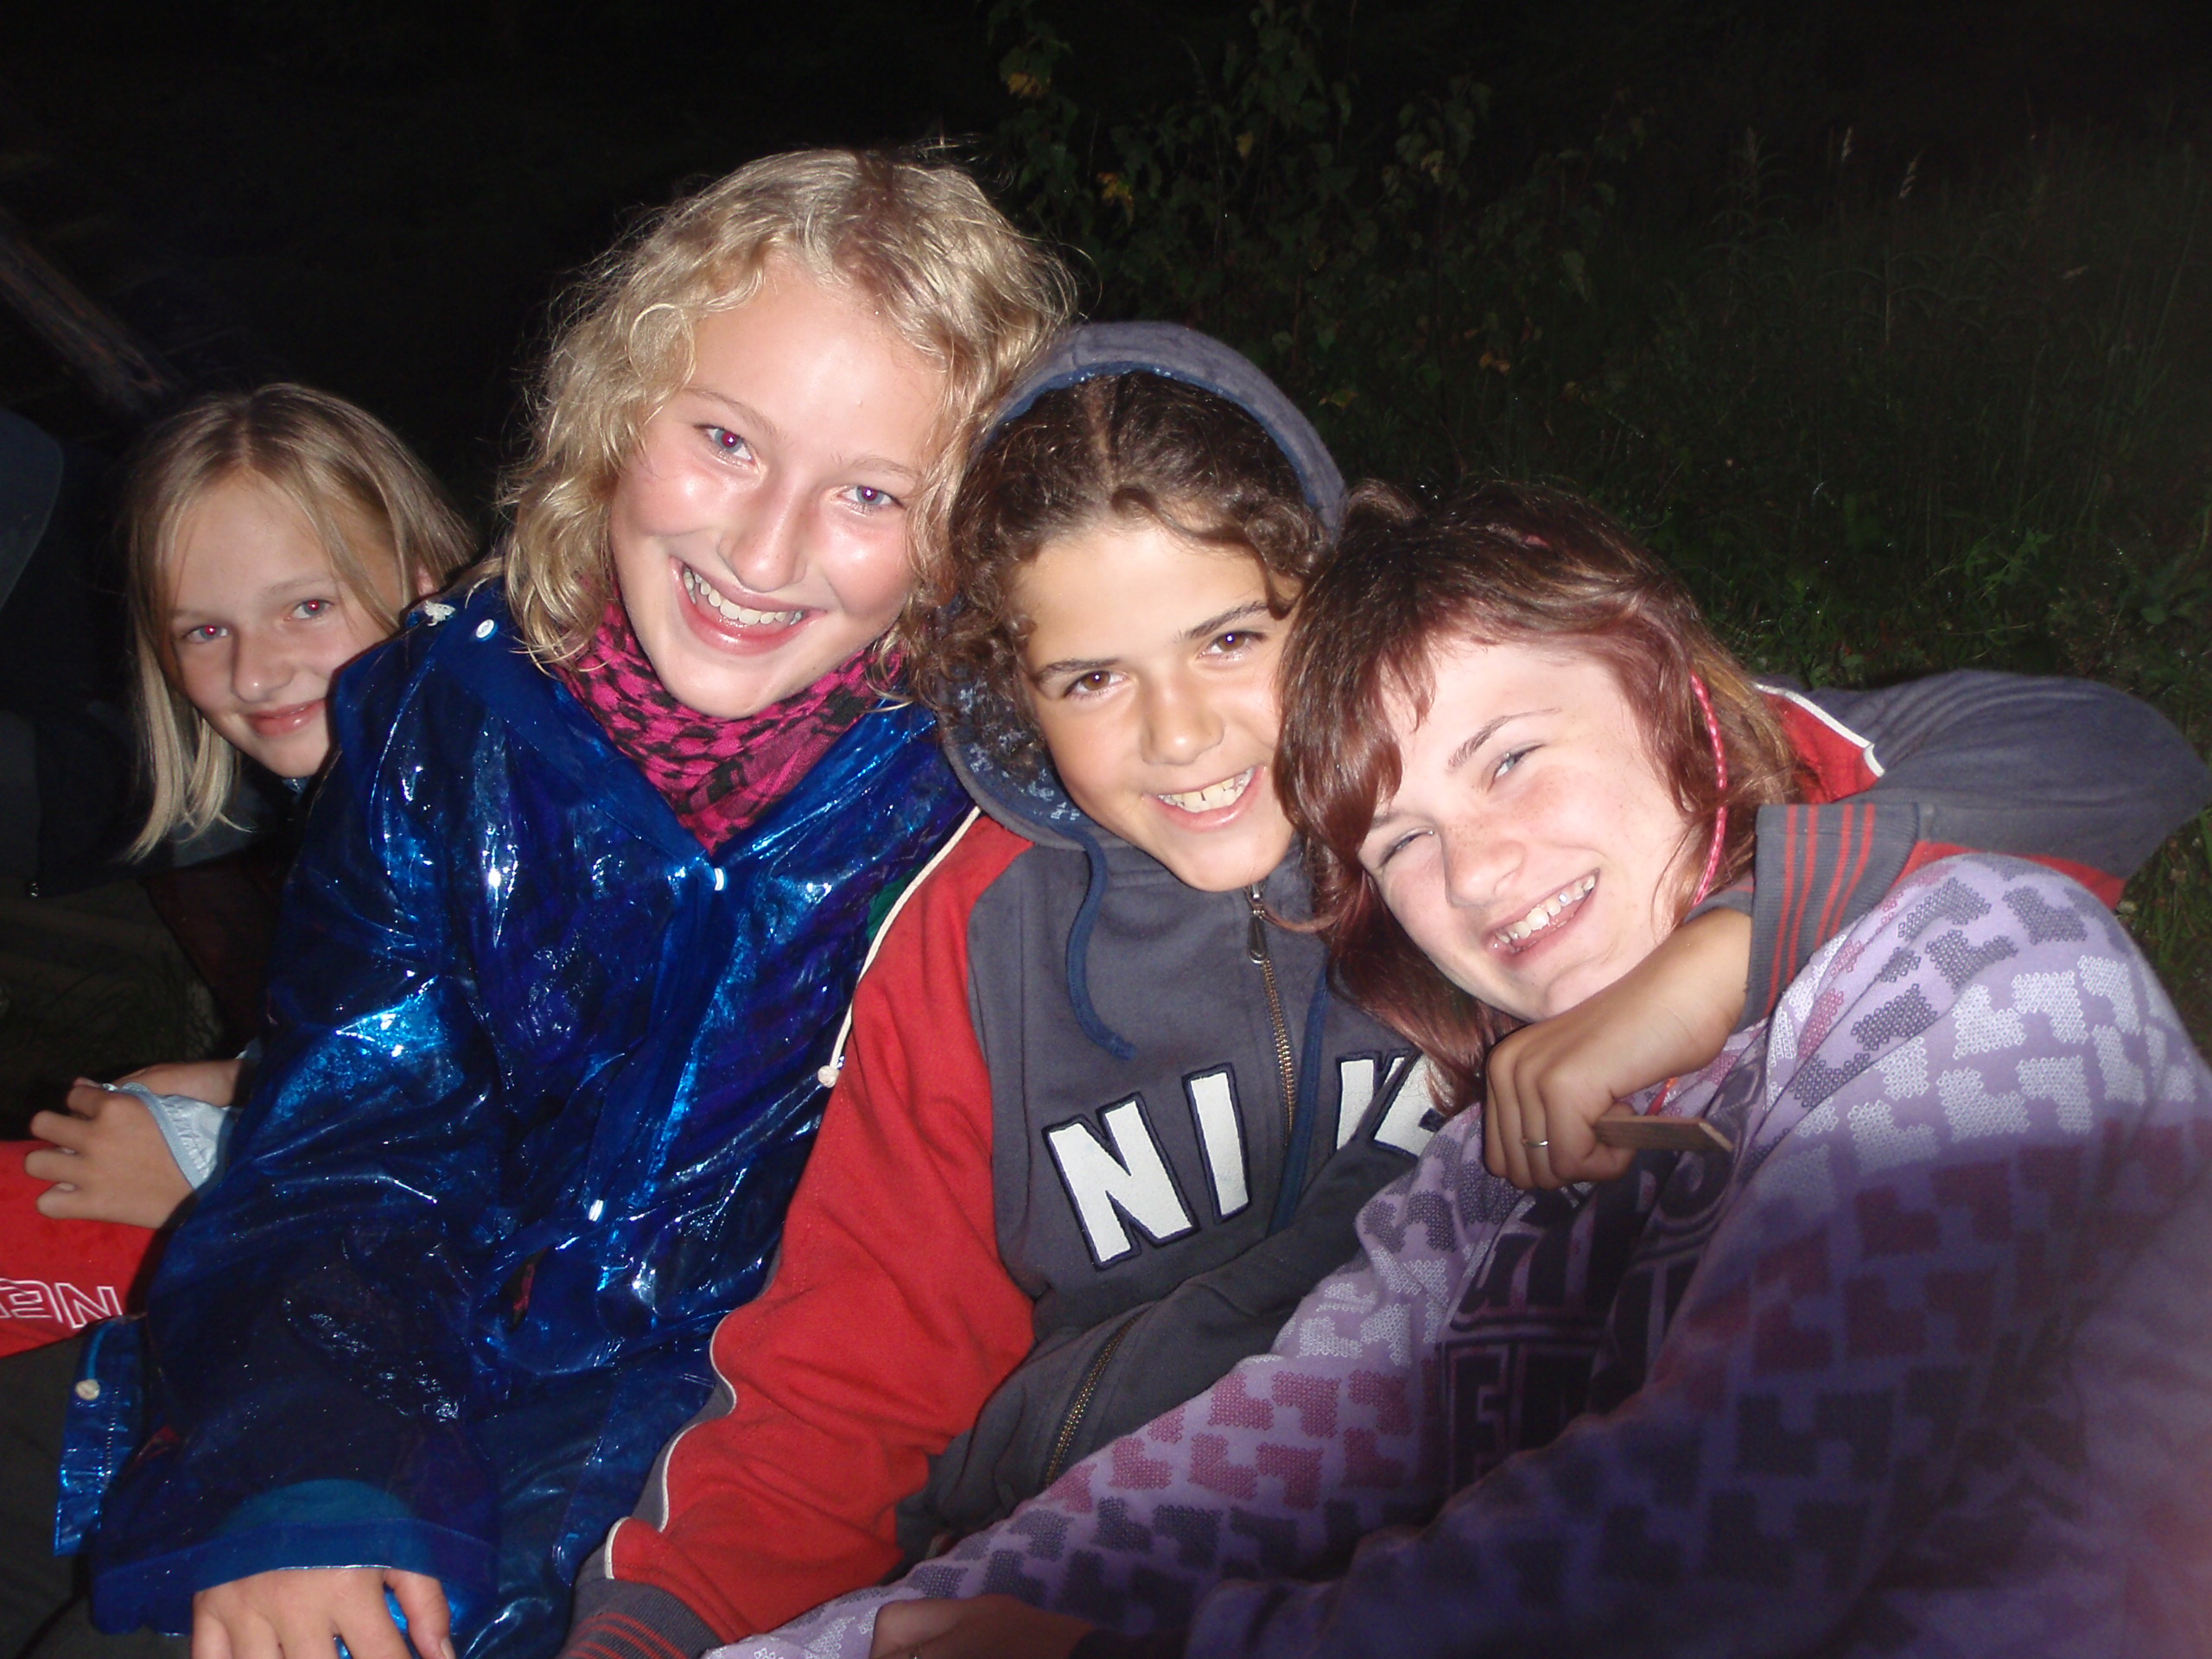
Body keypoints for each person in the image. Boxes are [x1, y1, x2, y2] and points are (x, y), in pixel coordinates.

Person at [563, 328, 2211, 1659]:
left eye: (1232, 640)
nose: (1182, 736)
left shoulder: (1932, 971)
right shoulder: (1014, 958)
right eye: (1092, 678)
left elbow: (2095, 750)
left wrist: (1730, 948)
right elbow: (911, 1386)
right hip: (1126, 1526)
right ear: (1019, 699)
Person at [54, 150, 1071, 1659]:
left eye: (872, 494)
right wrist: (317, 1469)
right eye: (724, 440)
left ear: (966, 533)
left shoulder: (996, 794)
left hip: (758, 1481)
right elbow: (355, 1140)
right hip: (416, 1372)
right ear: (619, 410)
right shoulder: (445, 714)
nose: (763, 550)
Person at [9, 384, 474, 1248]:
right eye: (204, 632)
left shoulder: (484, 828)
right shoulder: (372, 800)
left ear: (423, 584)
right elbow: (413, 1050)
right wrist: (243, 1081)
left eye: (308, 607)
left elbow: (548, 1156)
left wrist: (207, 1179)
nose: (254, 674)